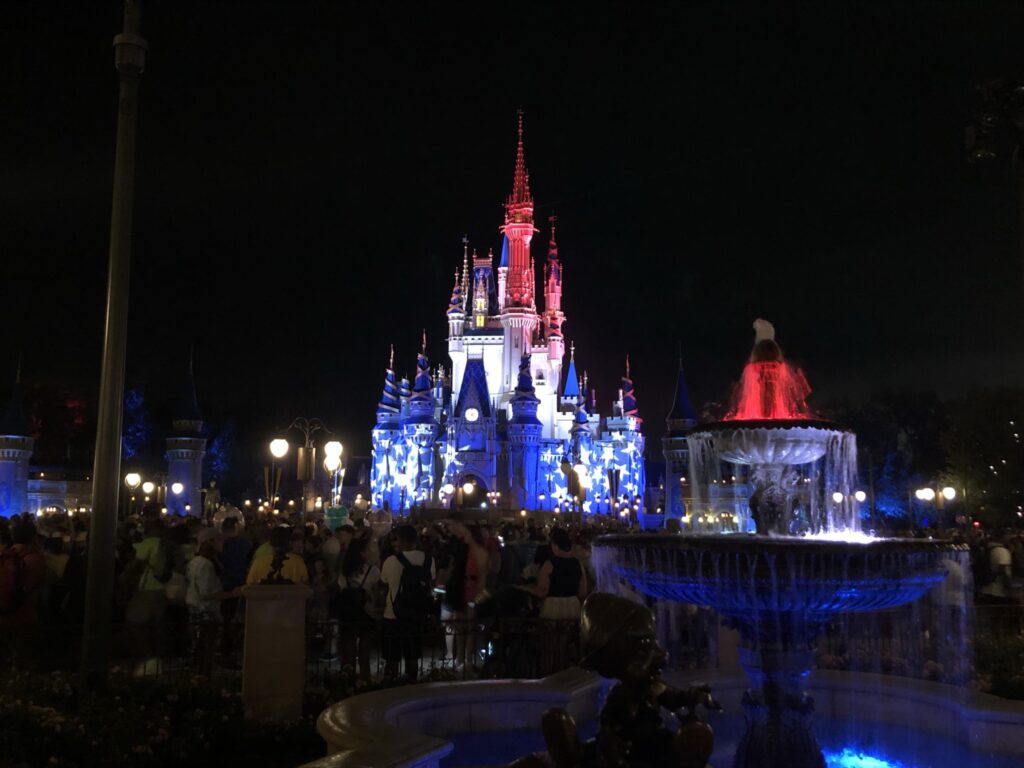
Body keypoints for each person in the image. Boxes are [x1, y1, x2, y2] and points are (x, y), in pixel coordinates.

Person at [380, 524, 434, 680]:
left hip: (393, 614)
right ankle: (412, 686)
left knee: (392, 657)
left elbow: (384, 583)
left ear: (399, 539)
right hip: (417, 614)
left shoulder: (390, 561)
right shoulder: (429, 560)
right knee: (412, 655)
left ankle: (390, 688)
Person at [337, 538, 381, 681]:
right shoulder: (373, 570)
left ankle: (347, 679)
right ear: (362, 553)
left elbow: (341, 588)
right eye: (369, 549)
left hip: (348, 612)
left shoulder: (345, 570)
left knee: (348, 648)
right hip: (365, 613)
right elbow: (375, 592)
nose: (371, 551)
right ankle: (364, 679)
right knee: (364, 650)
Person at [186, 527, 224, 675]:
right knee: (206, 644)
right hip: (205, 610)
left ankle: (200, 673)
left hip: (197, 608)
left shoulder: (195, 562)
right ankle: (203, 674)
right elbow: (205, 593)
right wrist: (230, 594)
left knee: (201, 645)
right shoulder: (205, 565)